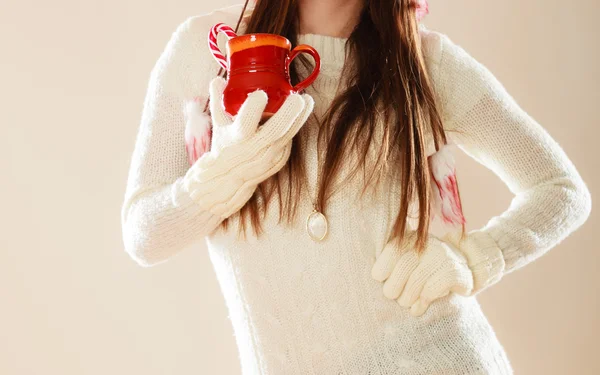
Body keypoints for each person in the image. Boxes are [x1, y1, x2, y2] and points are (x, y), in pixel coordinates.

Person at [120, 1, 592, 374]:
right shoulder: (207, 51)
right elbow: (144, 234)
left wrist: (475, 259)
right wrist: (222, 177)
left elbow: (561, 189)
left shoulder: (424, 62)